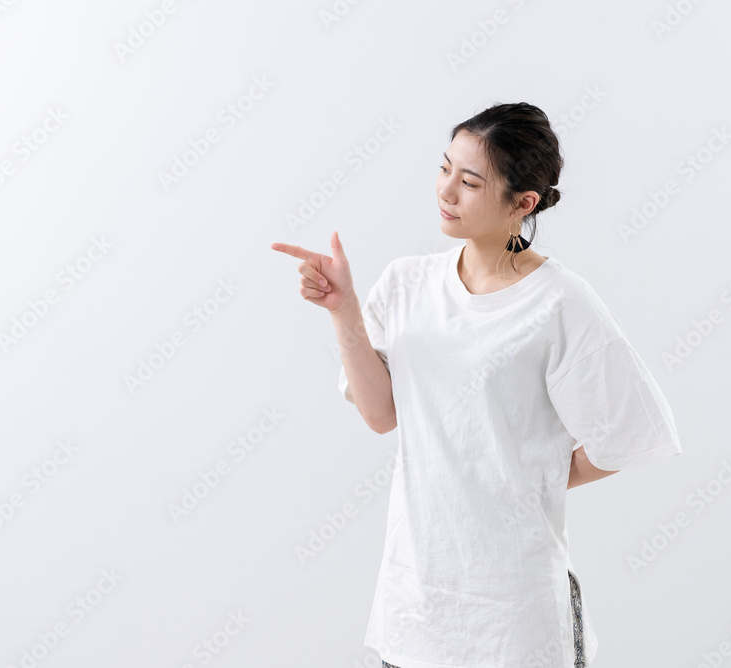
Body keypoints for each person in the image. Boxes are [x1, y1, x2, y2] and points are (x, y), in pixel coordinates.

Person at [270, 102, 682, 668]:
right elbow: (381, 414)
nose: (446, 191)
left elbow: (625, 435)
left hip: (516, 624)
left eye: (469, 182)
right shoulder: (407, 283)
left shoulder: (560, 302)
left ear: (523, 203)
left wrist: (525, 477)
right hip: (415, 611)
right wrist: (344, 310)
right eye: (444, 169)